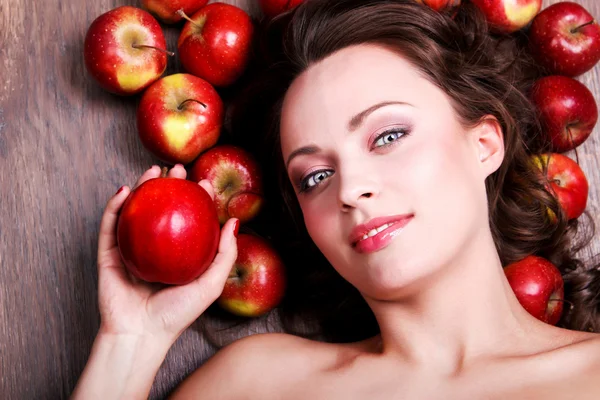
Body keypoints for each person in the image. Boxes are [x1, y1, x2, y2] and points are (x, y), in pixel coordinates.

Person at [72, 0, 600, 398]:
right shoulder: (254, 385)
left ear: (483, 145)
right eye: (315, 177)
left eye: (388, 137)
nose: (349, 189)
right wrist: (131, 343)